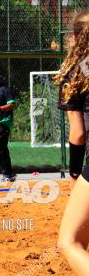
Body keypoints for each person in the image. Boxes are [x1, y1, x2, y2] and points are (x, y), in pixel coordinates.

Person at [54, 11, 89, 179]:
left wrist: (75, 173)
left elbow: (79, 134)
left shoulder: (76, 75)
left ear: (75, 37)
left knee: (75, 207)